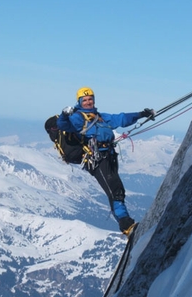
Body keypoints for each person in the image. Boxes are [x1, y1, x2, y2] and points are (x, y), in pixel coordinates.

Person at [57, 86, 155, 236]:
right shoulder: (78, 117)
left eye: (90, 99)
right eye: (85, 100)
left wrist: (141, 114)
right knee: (114, 190)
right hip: (96, 160)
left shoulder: (99, 116)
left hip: (109, 156)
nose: (88, 102)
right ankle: (126, 225)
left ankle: (126, 223)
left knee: (118, 189)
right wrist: (64, 115)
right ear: (79, 102)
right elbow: (64, 125)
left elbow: (121, 119)